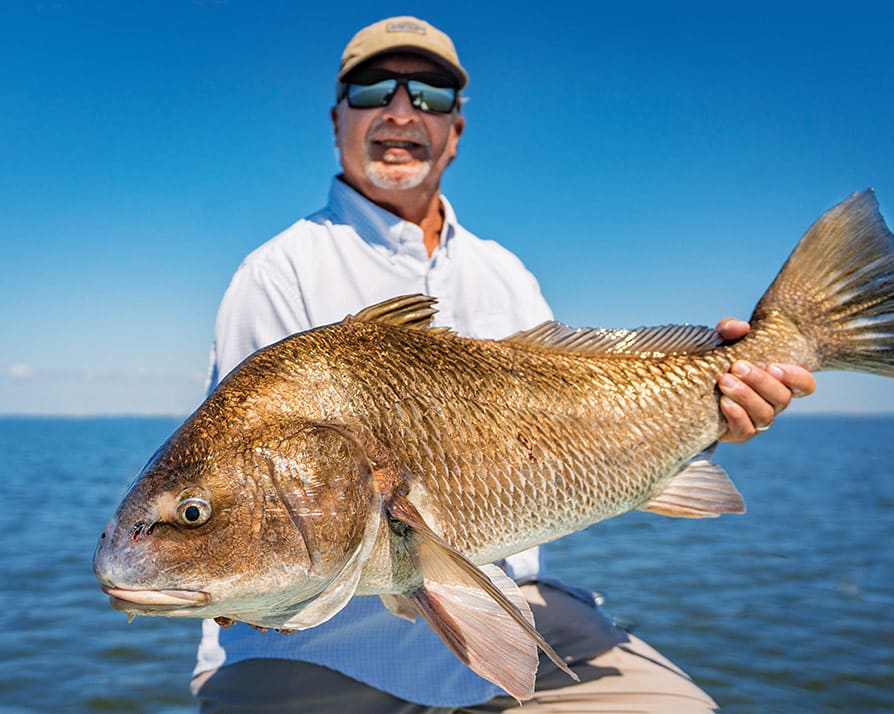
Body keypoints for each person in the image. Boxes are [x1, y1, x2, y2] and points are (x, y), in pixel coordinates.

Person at [191, 15, 816, 713]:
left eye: (428, 95)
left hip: (510, 616)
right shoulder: (277, 273)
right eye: (373, 90)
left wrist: (713, 410)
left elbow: (586, 414)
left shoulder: (505, 272)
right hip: (317, 651)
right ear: (338, 118)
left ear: (455, 132)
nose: (401, 110)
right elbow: (251, 502)